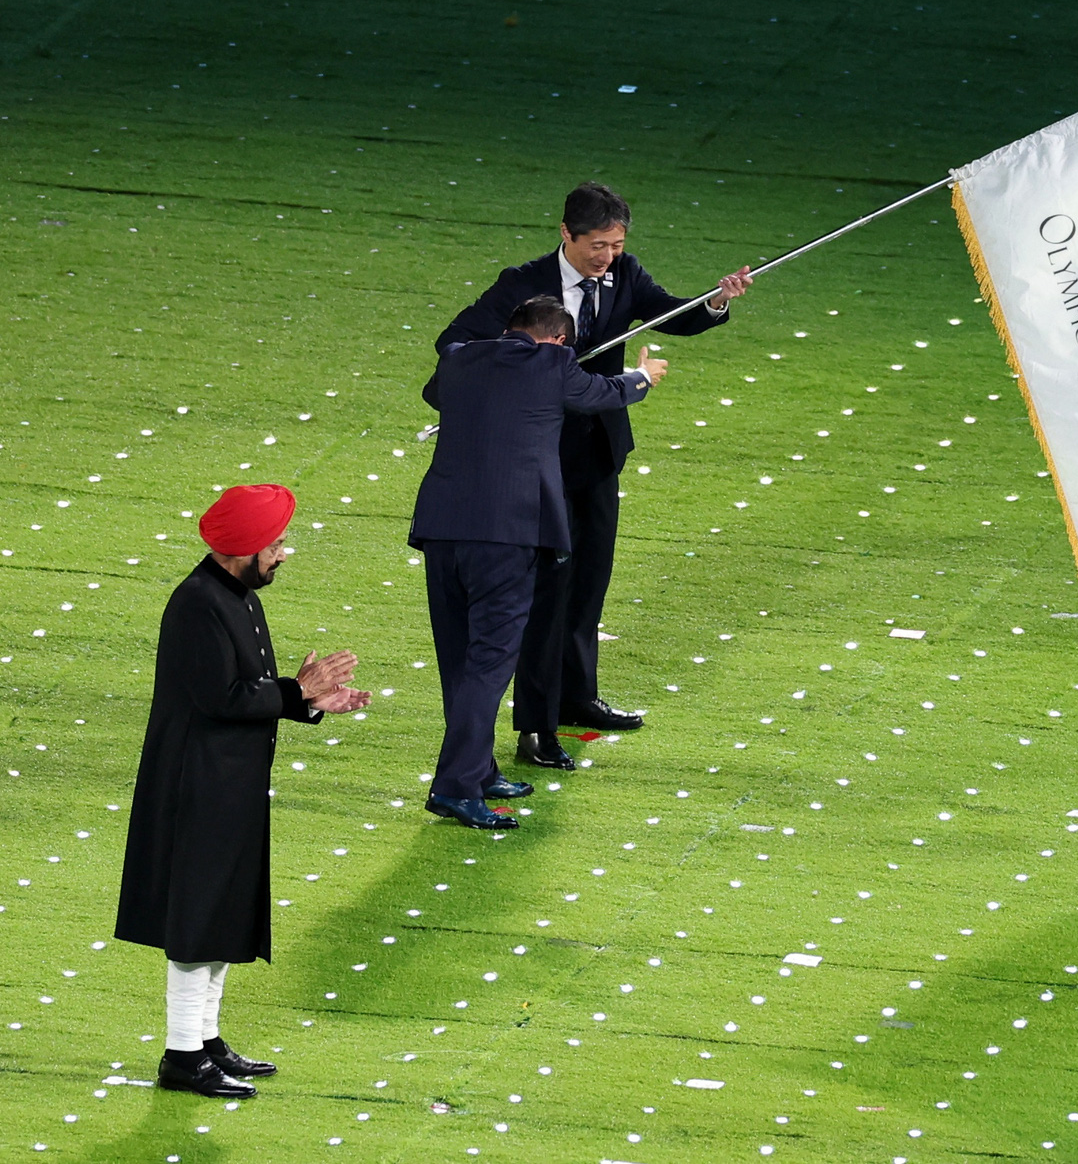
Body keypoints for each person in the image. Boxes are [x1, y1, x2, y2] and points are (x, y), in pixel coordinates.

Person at [426, 181, 752, 771]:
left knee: (586, 584)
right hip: (534, 464)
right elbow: (454, 346)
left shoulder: (626, 276)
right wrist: (521, 369)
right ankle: (536, 725)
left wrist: (715, 303)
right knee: (544, 596)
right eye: (597, 245)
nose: (607, 257)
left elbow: (671, 316)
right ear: (566, 235)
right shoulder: (520, 286)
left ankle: (576, 698)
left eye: (617, 245)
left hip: (597, 454)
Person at [116, 484, 370, 1099]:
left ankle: (204, 1041)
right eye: (275, 544)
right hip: (197, 787)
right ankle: (182, 1055)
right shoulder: (198, 604)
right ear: (245, 549)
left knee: (221, 911)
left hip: (226, 784)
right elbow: (221, 697)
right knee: (198, 919)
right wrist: (297, 692)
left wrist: (306, 701)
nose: (283, 554)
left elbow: (250, 691)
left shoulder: (233, 594)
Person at [411, 296, 669, 828]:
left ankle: (478, 771)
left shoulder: (459, 358)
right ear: (556, 340)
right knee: (488, 663)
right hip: (507, 537)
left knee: (459, 661)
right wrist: (642, 376)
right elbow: (602, 393)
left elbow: (437, 395)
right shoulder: (554, 365)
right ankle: (456, 786)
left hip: (442, 530)